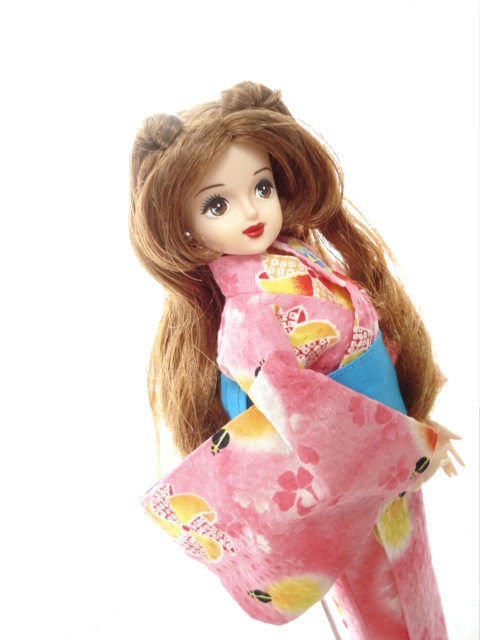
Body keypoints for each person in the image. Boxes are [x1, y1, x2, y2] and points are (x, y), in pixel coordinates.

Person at [129, 82, 463, 638]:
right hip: (348, 493)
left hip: (386, 465)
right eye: (217, 204)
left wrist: (413, 419)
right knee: (381, 613)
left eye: (261, 187)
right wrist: (411, 446)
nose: (251, 211)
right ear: (183, 224)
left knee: (414, 594)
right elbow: (311, 424)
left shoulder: (295, 257)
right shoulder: (249, 318)